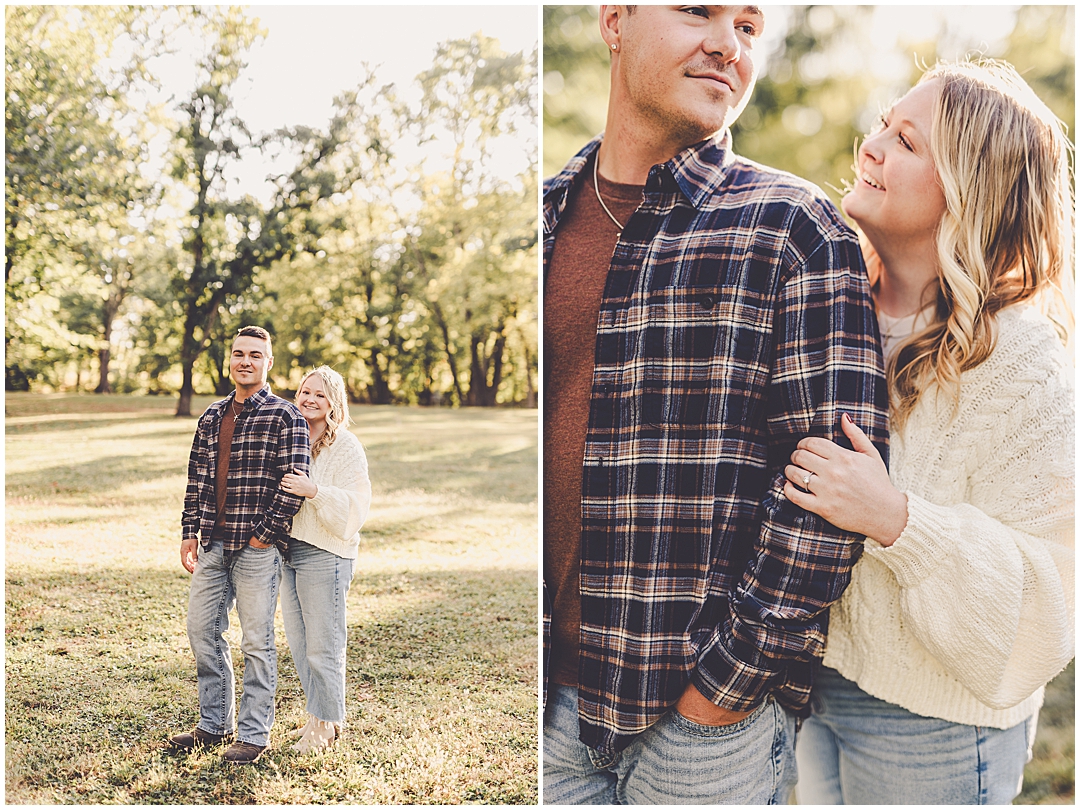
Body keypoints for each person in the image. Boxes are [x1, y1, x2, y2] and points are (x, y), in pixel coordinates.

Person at [542, 5, 890, 804]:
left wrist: (721, 692)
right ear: (615, 20)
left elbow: (830, 495)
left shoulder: (797, 230)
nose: (727, 45)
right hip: (547, 710)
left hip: (699, 736)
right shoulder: (546, 216)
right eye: (698, 11)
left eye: (747, 26)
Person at [788, 59, 1075, 805]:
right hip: (812, 685)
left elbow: (1052, 599)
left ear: (969, 191)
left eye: (906, 141)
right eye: (882, 124)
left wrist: (897, 521)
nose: (871, 145)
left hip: (939, 728)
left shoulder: (1024, 361)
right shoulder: (828, 300)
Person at [172, 325, 311, 765]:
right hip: (212, 542)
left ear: (269, 363)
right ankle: (214, 726)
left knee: (256, 641)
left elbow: (293, 485)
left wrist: (263, 535)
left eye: (255, 355)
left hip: (256, 548)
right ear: (229, 361)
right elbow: (197, 479)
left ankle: (253, 734)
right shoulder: (212, 416)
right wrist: (188, 531)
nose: (245, 361)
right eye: (238, 354)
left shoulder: (285, 417)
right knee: (202, 631)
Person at [277, 366, 372, 754]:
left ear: (333, 402)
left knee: (324, 645)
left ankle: (326, 724)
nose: (309, 399)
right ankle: (318, 717)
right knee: (300, 644)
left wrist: (313, 490)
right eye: (304, 392)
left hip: (326, 554)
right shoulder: (290, 437)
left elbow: (356, 507)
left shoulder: (346, 446)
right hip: (287, 551)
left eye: (319, 394)